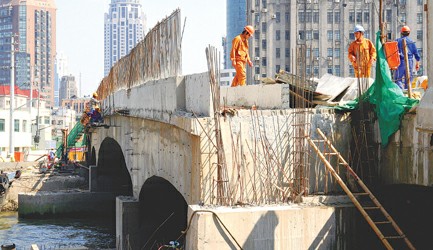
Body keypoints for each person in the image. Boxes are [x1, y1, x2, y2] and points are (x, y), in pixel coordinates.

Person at [394, 25, 421, 89]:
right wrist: (417, 63)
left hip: (400, 62)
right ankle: (407, 92)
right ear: (409, 33)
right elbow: (416, 54)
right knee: (408, 78)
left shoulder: (397, 41)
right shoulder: (411, 42)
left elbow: (392, 51)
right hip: (409, 62)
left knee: (398, 79)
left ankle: (401, 92)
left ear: (401, 33)